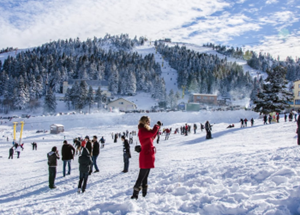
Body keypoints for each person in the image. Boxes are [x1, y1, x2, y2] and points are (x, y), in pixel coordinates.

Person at [131, 116, 161, 200]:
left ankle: (144, 193)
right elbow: (151, 134)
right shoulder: (142, 130)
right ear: (144, 122)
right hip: (146, 155)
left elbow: (152, 137)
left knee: (145, 175)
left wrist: (157, 129)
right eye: (148, 121)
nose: (149, 123)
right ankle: (135, 194)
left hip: (148, 154)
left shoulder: (145, 131)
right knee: (142, 176)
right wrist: (156, 126)